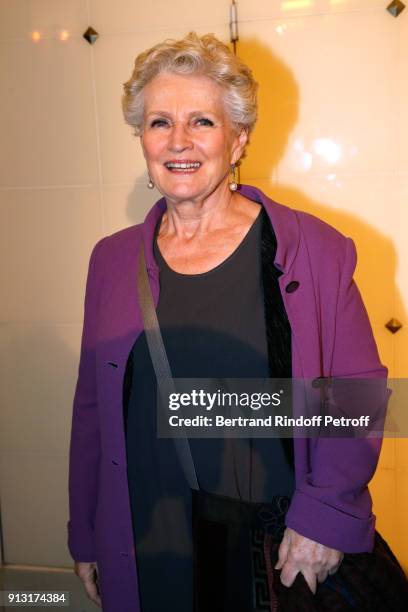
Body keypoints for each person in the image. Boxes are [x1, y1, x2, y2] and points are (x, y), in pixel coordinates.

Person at [68, 32, 408, 612]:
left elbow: (359, 399)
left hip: (268, 554)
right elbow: (92, 411)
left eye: (201, 121)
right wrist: (87, 530)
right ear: (142, 139)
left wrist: (324, 518)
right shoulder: (111, 259)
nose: (178, 142)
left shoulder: (311, 250)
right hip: (147, 541)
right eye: (158, 123)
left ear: (239, 138)